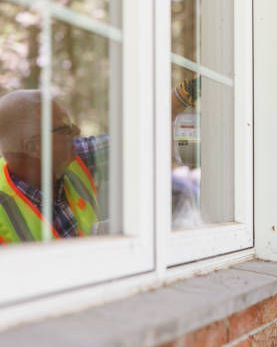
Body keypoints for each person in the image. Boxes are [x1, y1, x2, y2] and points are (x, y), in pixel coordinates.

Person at [0, 78, 199, 243]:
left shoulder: (74, 157)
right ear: (34, 147)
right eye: (64, 128)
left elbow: (140, 135)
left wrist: (187, 92)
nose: (77, 132)